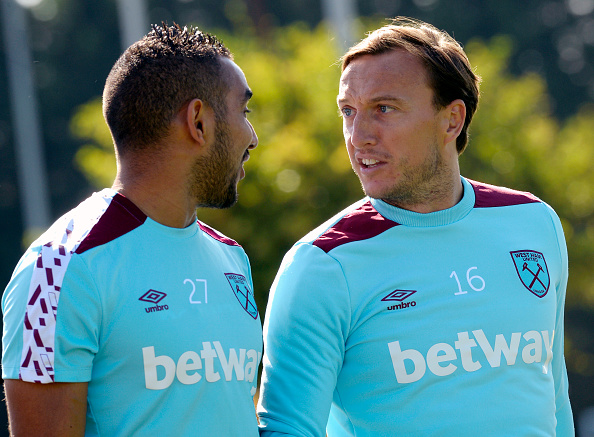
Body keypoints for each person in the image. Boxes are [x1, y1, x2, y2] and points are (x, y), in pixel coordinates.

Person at [257, 17, 574, 436]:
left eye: (383, 108)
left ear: (452, 120)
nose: (358, 135)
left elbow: (555, 403)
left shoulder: (535, 223)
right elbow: (286, 429)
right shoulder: (320, 266)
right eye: (348, 112)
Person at [2, 23, 261, 436]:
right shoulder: (56, 269)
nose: (253, 136)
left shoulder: (232, 257)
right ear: (198, 121)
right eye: (243, 112)